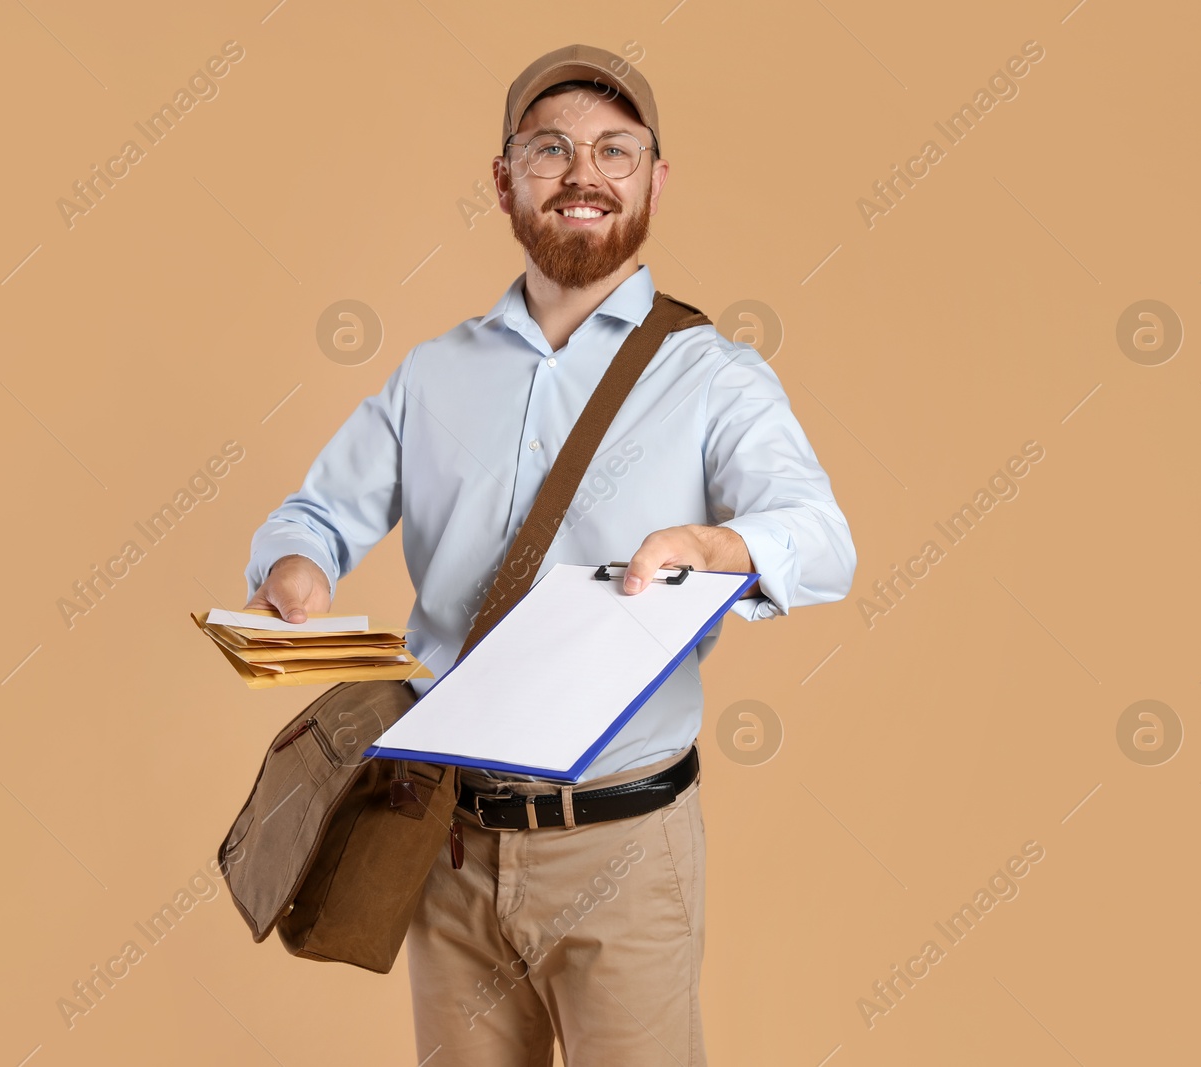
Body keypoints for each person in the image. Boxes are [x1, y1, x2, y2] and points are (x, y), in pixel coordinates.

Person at [243, 42, 857, 1067]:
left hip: (623, 844)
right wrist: (295, 566)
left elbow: (822, 538)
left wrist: (717, 542)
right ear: (504, 180)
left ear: (654, 179)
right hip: (441, 839)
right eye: (550, 148)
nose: (583, 172)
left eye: (616, 150)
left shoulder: (714, 377)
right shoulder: (433, 374)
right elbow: (312, 512)